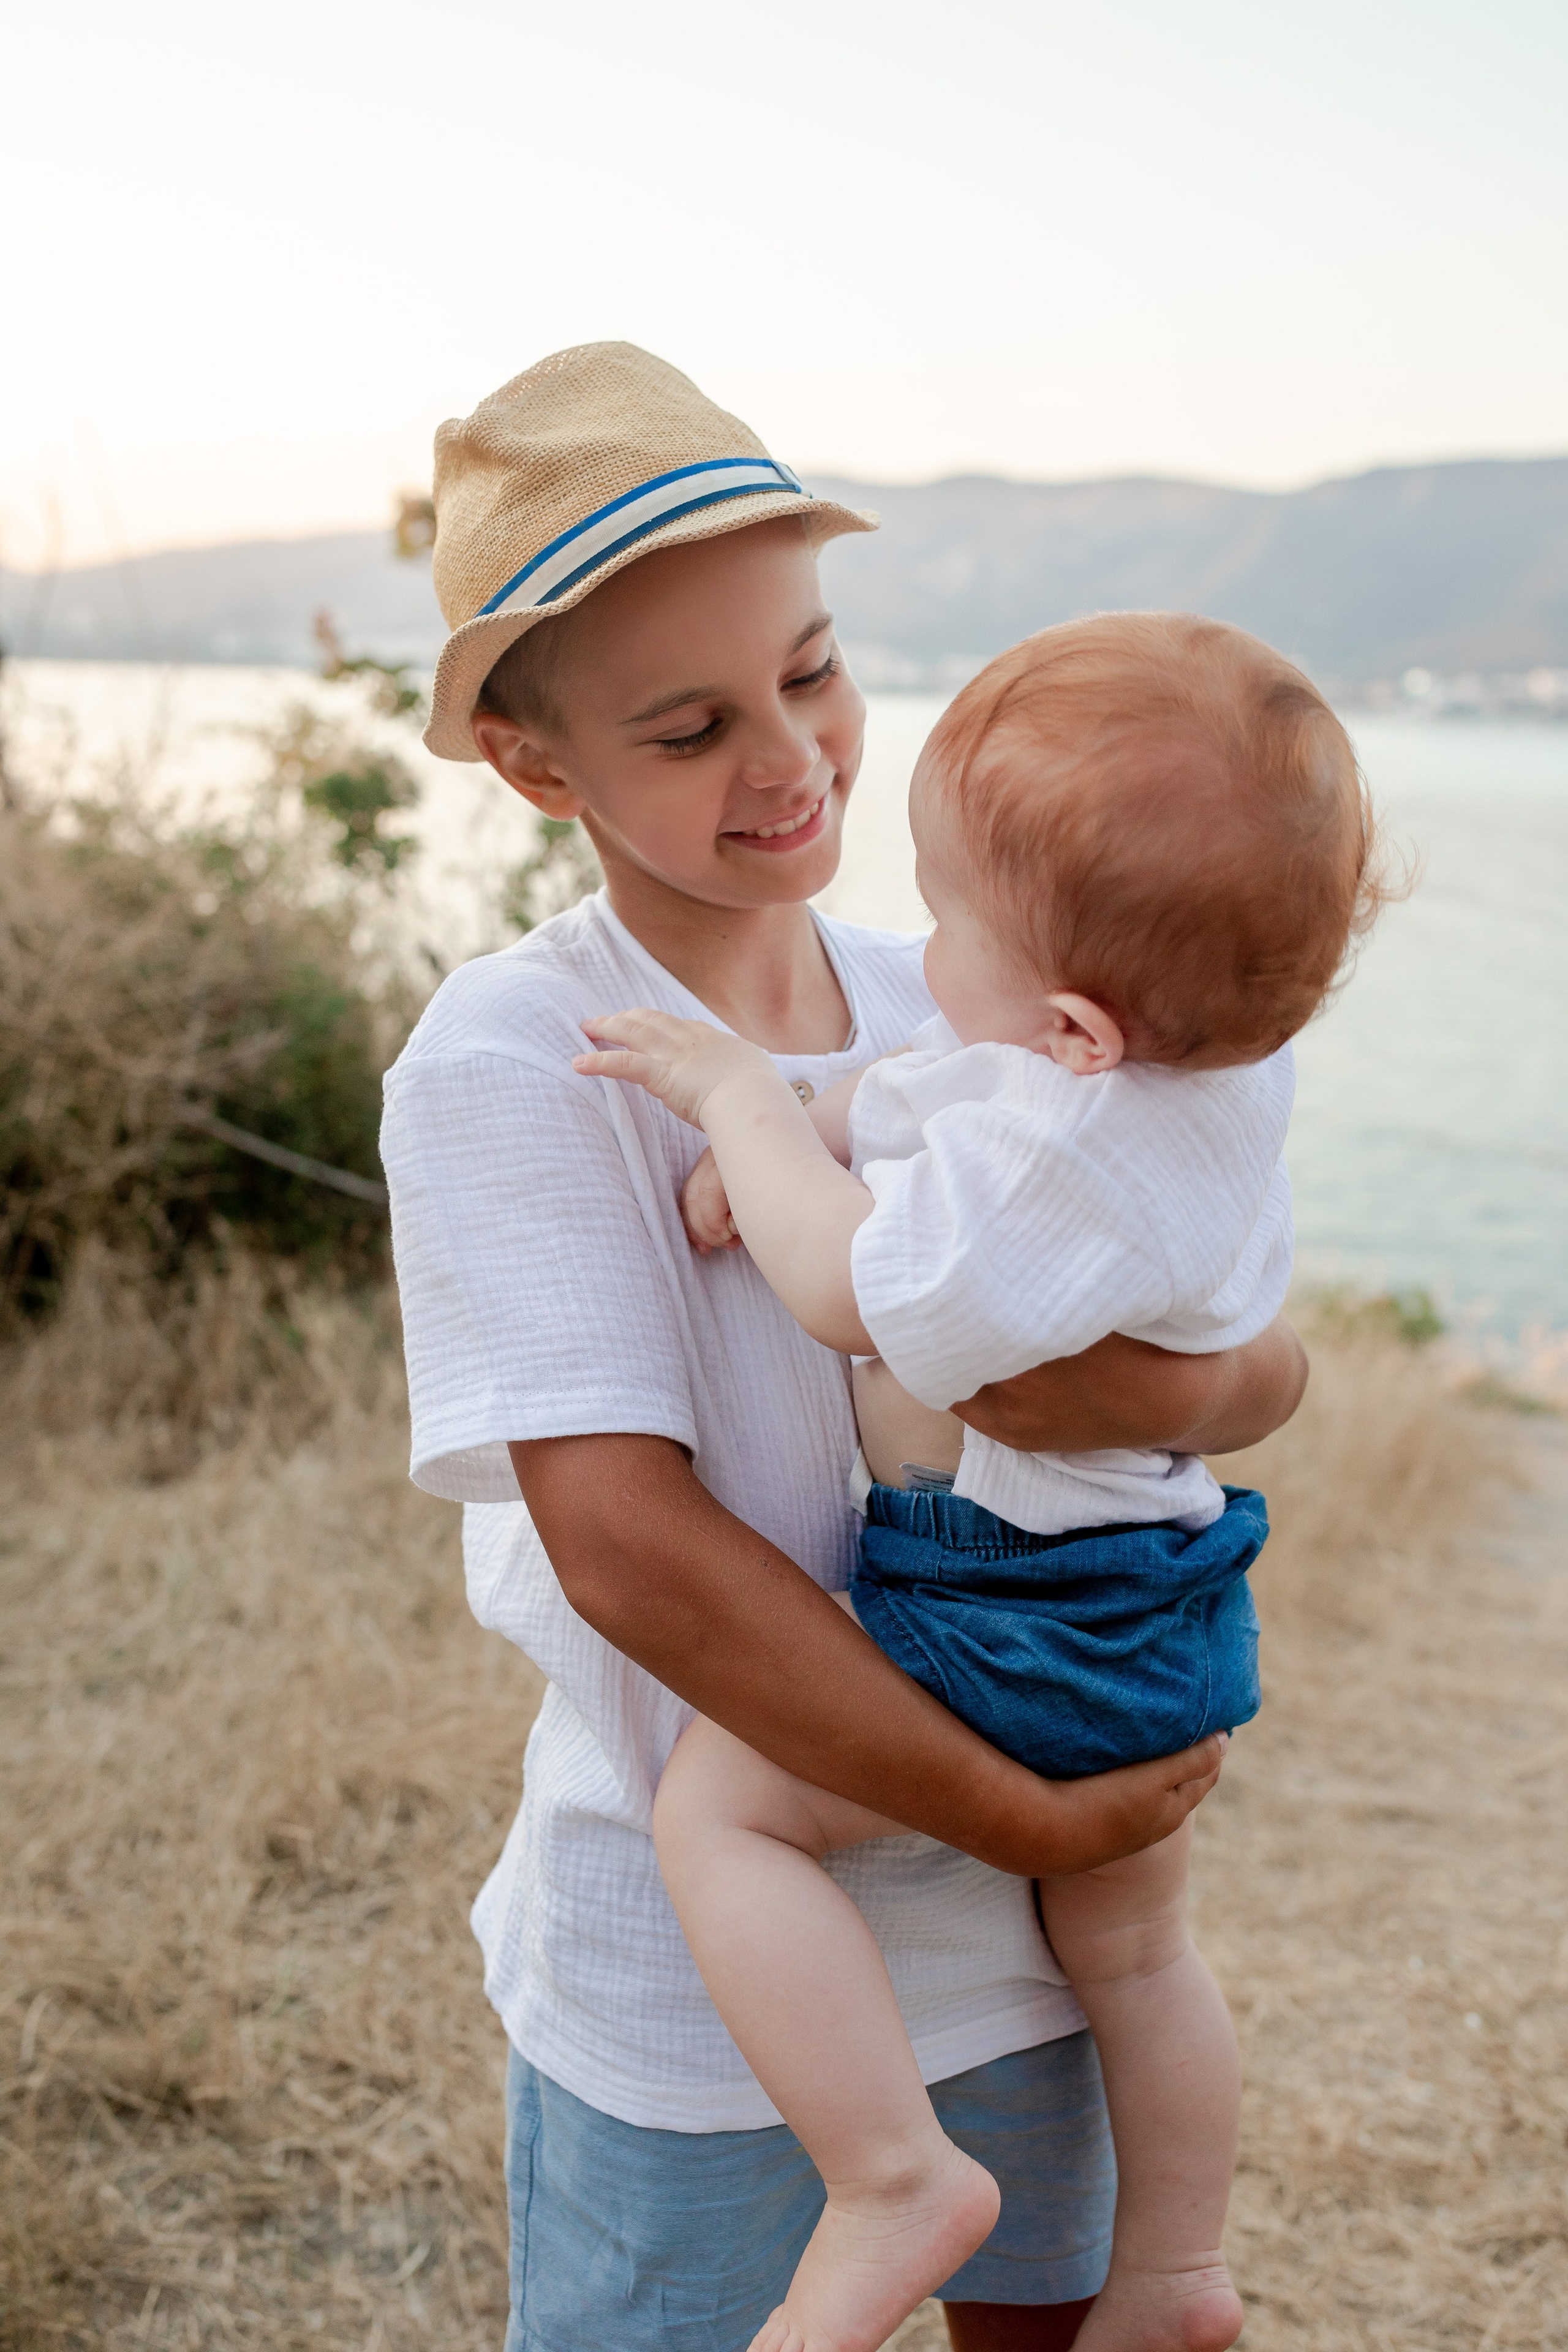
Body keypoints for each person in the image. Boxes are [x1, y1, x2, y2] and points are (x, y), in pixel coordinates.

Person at [381, 343, 1308, 2352]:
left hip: (1011, 1965)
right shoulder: (525, 1052)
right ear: (545, 770)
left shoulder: (965, 996)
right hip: (707, 2005)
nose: (789, 756)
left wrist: (1188, 1395)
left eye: (808, 671)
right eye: (693, 723)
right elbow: (628, 1548)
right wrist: (1028, 1809)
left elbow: (1249, 1364)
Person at [576, 612, 1389, 2352]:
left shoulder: (1051, 1154)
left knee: (723, 1817)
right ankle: (1172, 2268)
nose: (923, 942)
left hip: (1014, 1612)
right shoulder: (1211, 1074)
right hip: (1167, 1593)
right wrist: (852, 1116)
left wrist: (745, 1112)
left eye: (948, 919)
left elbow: (852, 1293)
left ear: (1080, 1027)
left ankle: (890, 2178)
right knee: (1143, 1955)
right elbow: (956, 1088)